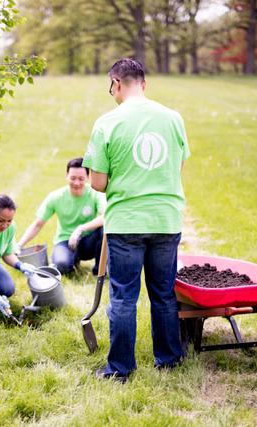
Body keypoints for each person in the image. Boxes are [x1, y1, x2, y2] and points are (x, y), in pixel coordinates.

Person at [83, 58, 189, 382]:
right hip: (165, 219)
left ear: (116, 83)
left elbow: (97, 182)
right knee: (163, 293)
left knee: (124, 296)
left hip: (127, 222)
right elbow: (177, 167)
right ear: (144, 83)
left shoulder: (107, 123)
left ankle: (120, 369)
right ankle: (169, 359)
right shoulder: (173, 118)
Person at [16, 157, 106, 275]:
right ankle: (71, 260)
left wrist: (81, 228)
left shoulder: (95, 193)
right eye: (73, 178)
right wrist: (19, 245)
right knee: (61, 265)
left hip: (89, 240)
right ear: (66, 175)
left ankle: (100, 271)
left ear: (88, 178)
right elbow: (38, 224)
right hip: (65, 241)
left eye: (81, 179)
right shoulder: (55, 196)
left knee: (105, 229)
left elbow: (106, 216)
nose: (77, 183)